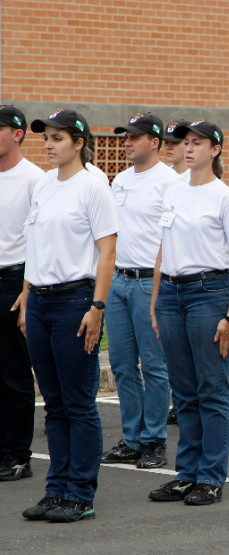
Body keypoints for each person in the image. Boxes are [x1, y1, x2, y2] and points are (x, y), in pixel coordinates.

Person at [147, 119, 229, 506]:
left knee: (211, 389)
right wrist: (156, 302)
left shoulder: (225, 197)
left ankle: (210, 476)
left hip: (208, 294)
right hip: (171, 294)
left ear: (216, 150)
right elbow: (163, 248)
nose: (188, 149)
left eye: (197, 143)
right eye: (185, 143)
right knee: (184, 392)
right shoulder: (173, 192)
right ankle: (186, 473)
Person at [21, 109, 118, 522]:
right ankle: (56, 489)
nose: (49, 144)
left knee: (78, 403)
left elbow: (107, 252)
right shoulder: (44, 185)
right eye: (46, 137)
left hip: (75, 301)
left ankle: (80, 493)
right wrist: (27, 294)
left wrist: (97, 307)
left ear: (79, 143)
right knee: (54, 403)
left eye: (58, 138)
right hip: (41, 302)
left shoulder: (93, 186)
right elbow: (36, 244)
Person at [101, 113, 179, 470]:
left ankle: (154, 440)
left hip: (151, 282)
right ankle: (132, 438)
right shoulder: (120, 180)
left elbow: (172, 237)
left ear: (155, 142)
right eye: (126, 137)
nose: (128, 142)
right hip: (119, 280)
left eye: (135, 137)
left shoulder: (170, 182)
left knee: (154, 365)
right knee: (121, 364)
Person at [0, 106, 45, 483]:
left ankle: (17, 454)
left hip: (16, 280)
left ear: (17, 134)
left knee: (14, 372)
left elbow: (41, 240)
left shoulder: (34, 179)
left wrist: (29, 291)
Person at [162, 119, 190, 427]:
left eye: (176, 142)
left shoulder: (195, 182)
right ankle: (177, 401)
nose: (169, 146)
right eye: (166, 141)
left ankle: (184, 402)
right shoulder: (165, 181)